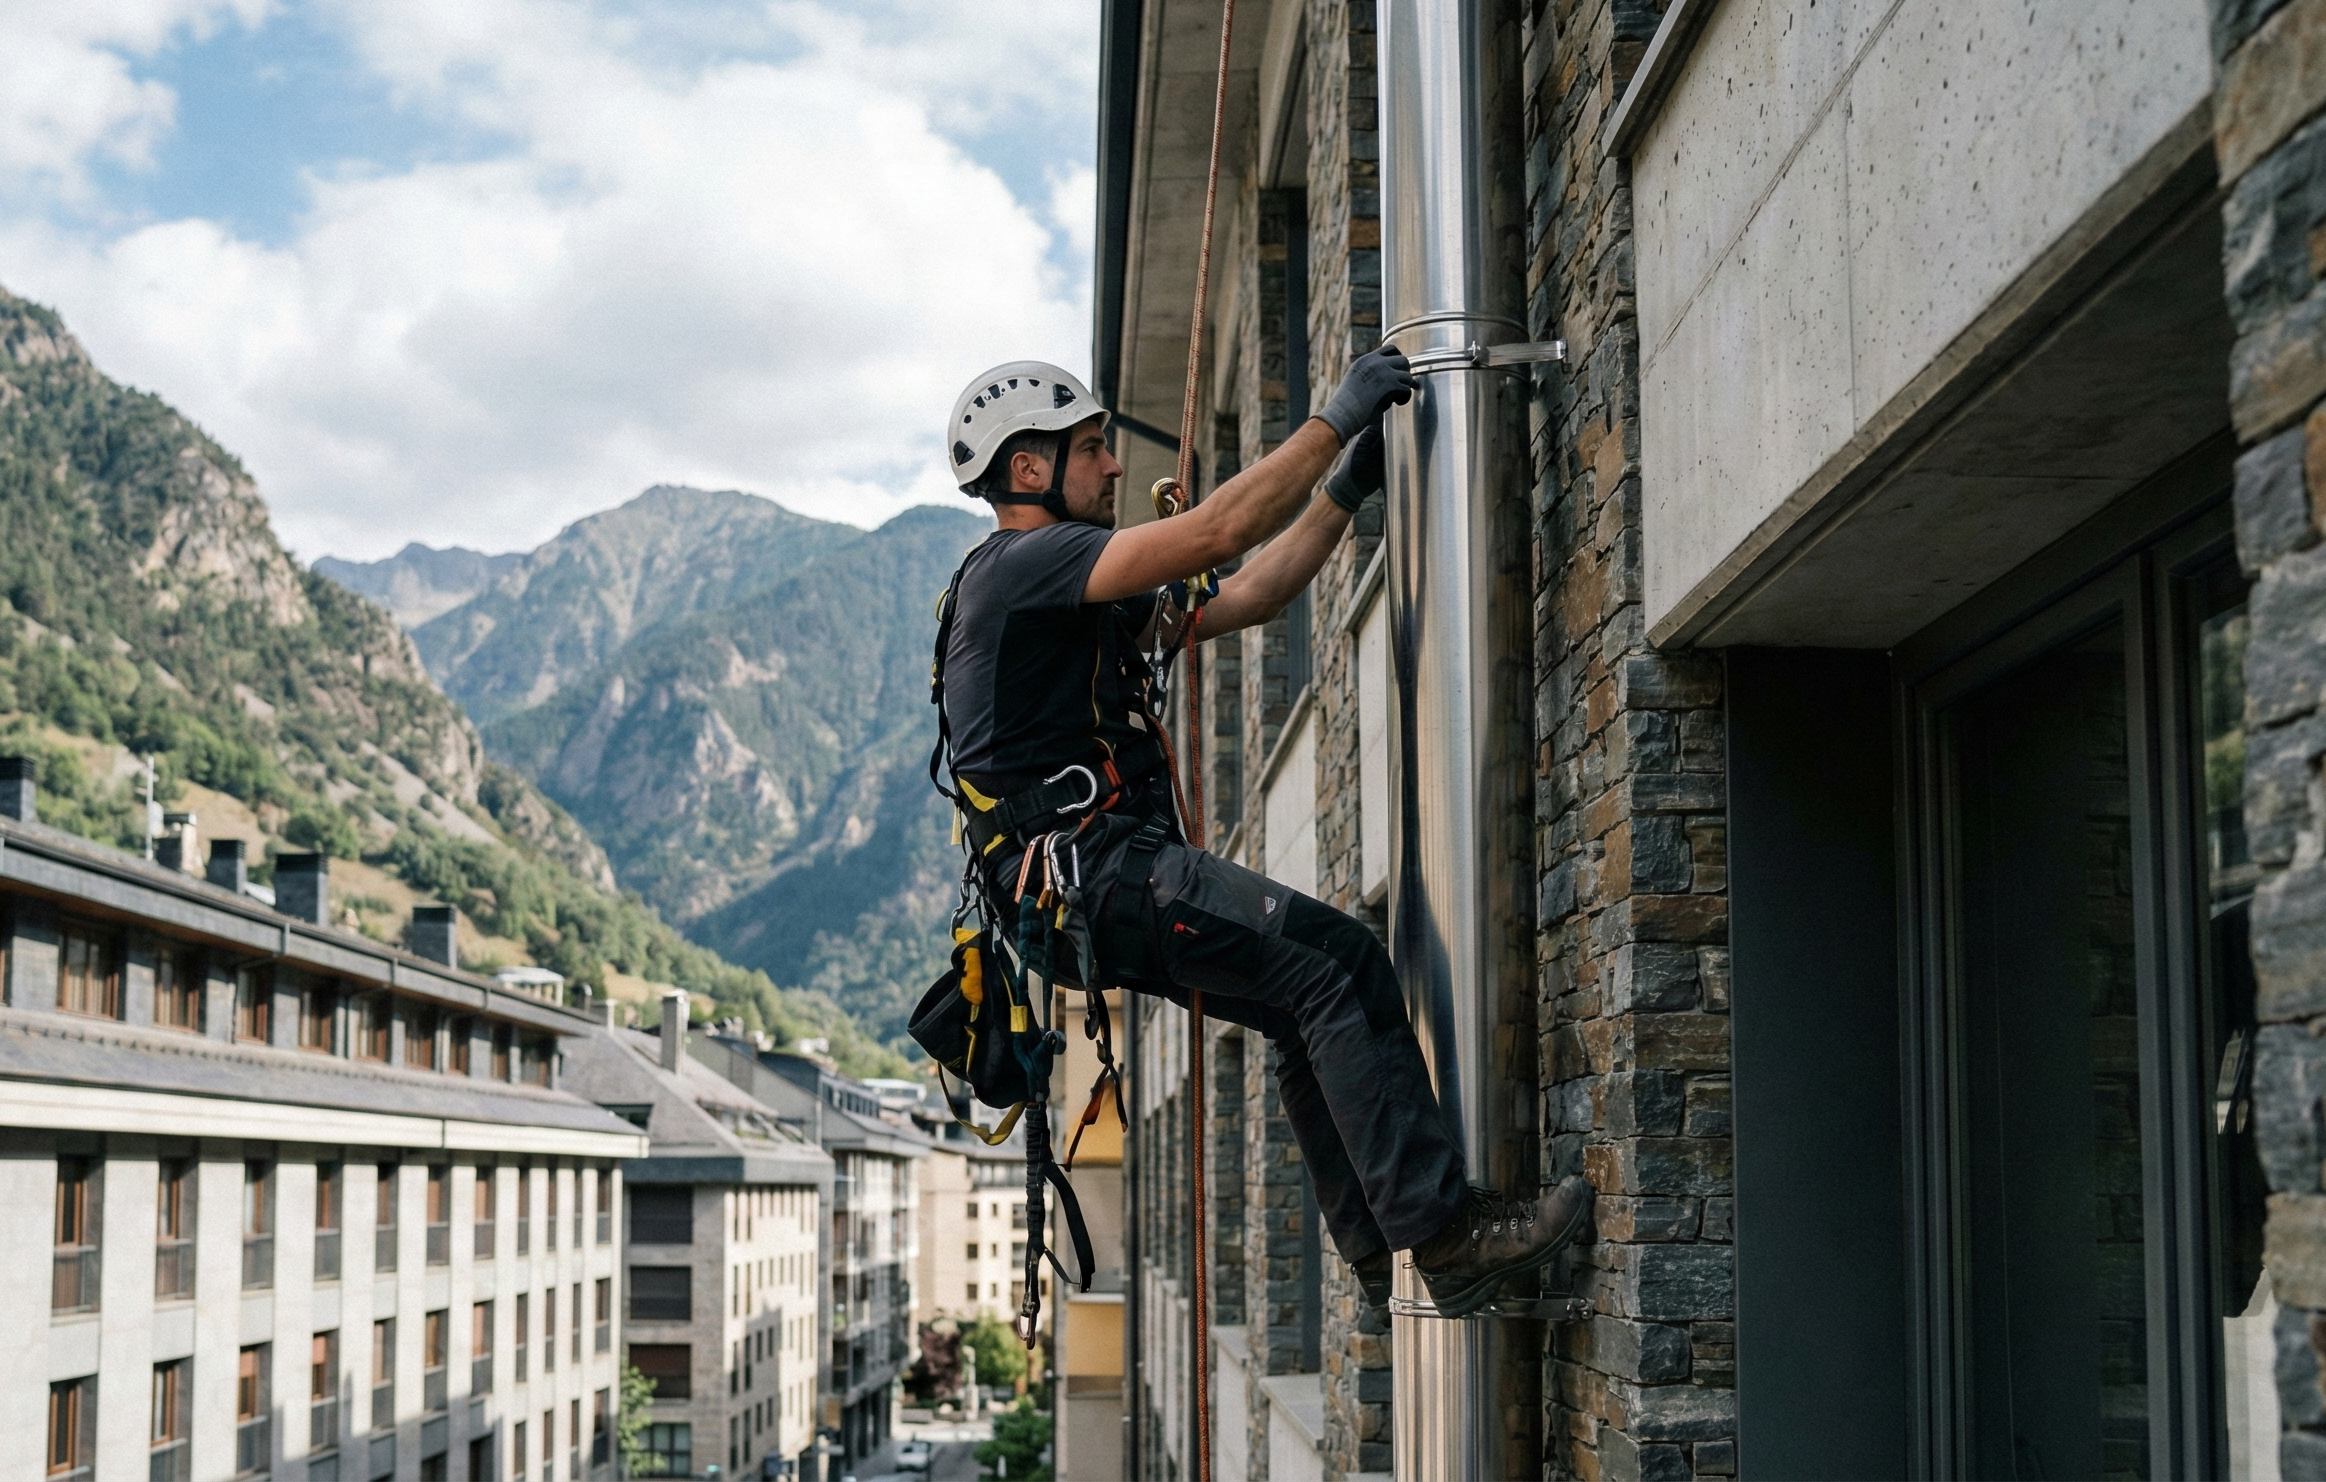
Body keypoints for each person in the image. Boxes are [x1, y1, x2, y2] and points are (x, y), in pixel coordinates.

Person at [931, 354, 1592, 1319]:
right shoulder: (1025, 567)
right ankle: (1446, 1236)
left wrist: (1339, 494)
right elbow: (1218, 531)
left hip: (1075, 891)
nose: (1112, 467)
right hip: (1093, 874)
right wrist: (1334, 418)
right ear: (1027, 470)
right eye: (1091, 448)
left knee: (1298, 1003)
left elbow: (1248, 596)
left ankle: (1381, 1245)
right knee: (1338, 963)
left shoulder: (1064, 596)